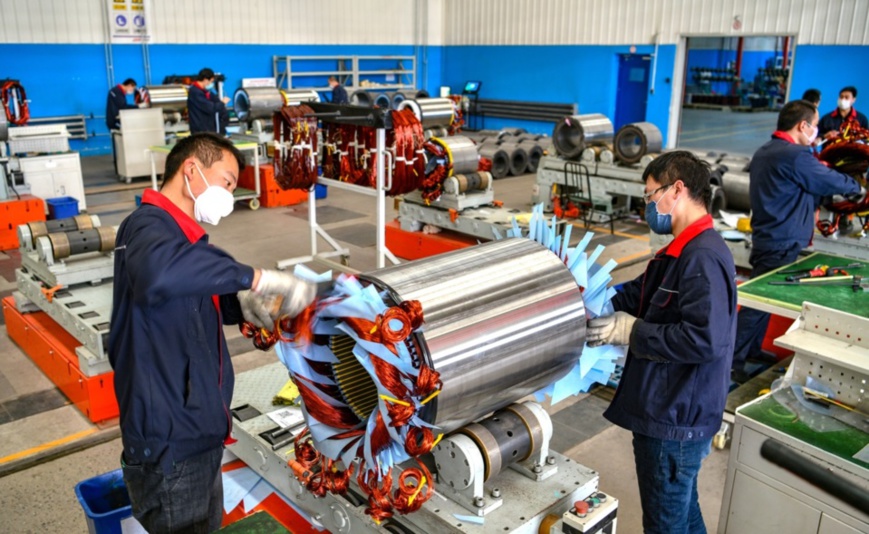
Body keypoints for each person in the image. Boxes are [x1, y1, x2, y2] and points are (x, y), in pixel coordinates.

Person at [108, 133, 316, 532]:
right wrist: (255, 277)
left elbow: (184, 298)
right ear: (191, 169)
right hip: (171, 443)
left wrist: (242, 305)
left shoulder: (177, 239)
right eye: (227, 181)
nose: (230, 195)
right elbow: (159, 275)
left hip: (196, 433)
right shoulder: (149, 226)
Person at [587, 151, 737, 534]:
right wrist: (592, 298)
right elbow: (642, 293)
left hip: (676, 419)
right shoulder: (679, 252)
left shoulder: (702, 257)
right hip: (673, 411)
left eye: (651, 195)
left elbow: (706, 340)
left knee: (664, 524)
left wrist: (631, 332)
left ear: (677, 190)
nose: (648, 206)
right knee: (683, 512)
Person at [731, 100, 862, 382]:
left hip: (768, 235)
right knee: (757, 305)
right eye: (814, 126)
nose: (816, 131)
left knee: (765, 301)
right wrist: (857, 188)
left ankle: (750, 350)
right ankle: (731, 361)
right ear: (803, 126)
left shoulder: (766, 151)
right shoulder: (794, 156)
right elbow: (826, 180)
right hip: (781, 239)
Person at [188, 68, 230, 135]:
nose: (211, 84)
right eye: (211, 81)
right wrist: (222, 103)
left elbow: (215, 102)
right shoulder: (195, 92)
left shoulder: (205, 92)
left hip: (207, 128)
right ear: (205, 80)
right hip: (200, 130)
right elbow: (210, 108)